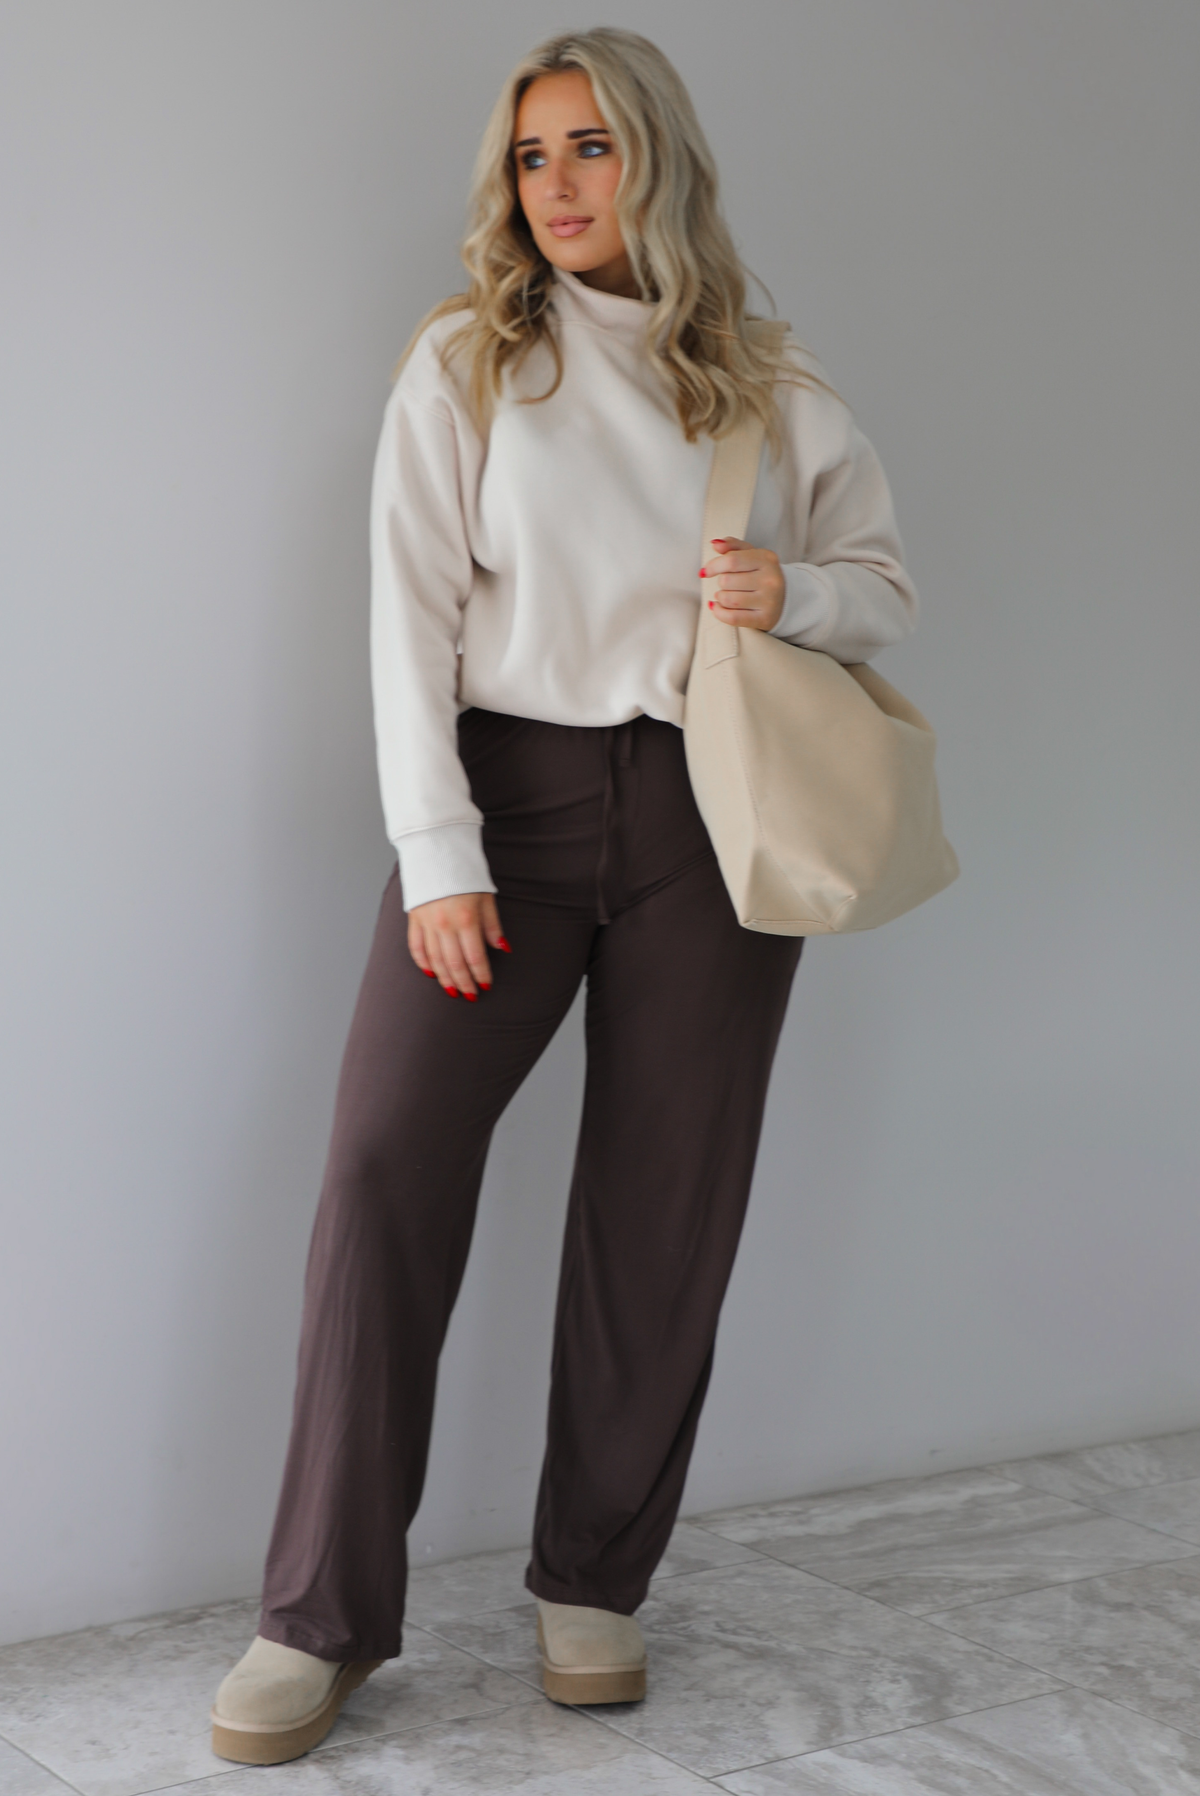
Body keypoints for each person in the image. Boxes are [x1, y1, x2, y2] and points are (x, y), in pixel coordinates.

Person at [209, 25, 919, 1766]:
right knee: (383, 1173)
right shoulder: (468, 362)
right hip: (502, 807)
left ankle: (594, 1579)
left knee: (662, 1203)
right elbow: (407, 625)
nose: (560, 186)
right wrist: (436, 853)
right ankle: (320, 1614)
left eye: (591, 149)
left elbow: (884, 589)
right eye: (533, 157)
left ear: (655, 159)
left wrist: (788, 596)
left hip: (708, 811)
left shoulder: (765, 377)